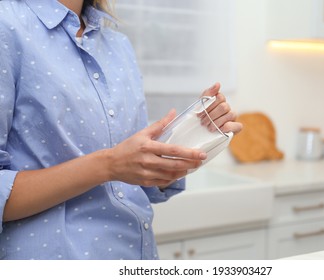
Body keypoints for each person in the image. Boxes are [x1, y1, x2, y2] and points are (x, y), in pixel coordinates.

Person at [0, 0, 242, 260]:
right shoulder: (7, 26)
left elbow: (137, 181)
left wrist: (191, 135)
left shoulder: (118, 46)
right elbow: (114, 165)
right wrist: (108, 165)